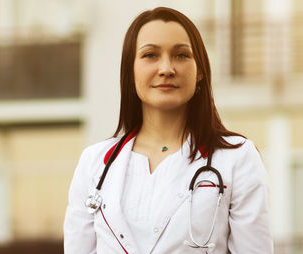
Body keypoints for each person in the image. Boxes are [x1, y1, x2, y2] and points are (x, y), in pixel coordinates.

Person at [63, 7, 272, 254]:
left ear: (201, 72)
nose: (166, 68)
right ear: (130, 72)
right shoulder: (94, 163)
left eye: (181, 55)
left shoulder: (237, 158)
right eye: (150, 55)